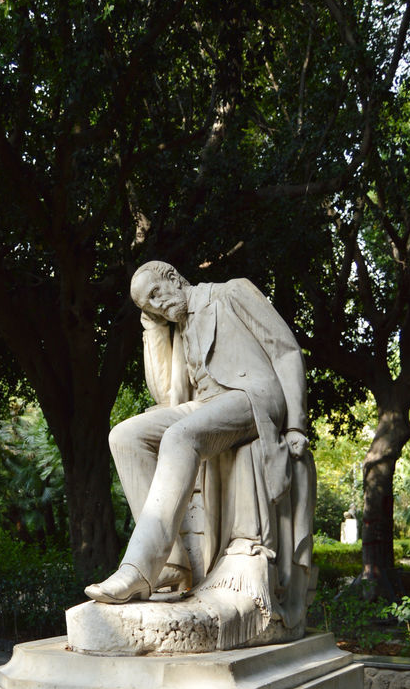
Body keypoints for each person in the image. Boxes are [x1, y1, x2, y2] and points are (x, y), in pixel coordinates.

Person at [85, 261, 315, 634]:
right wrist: (153, 328)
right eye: (148, 306)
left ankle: (138, 568)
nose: (157, 306)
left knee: (180, 436)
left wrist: (295, 424)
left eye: (156, 294)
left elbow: (285, 350)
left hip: (252, 396)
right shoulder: (178, 328)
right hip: (207, 408)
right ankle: (171, 563)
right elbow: (164, 394)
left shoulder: (232, 291)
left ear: (173, 277)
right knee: (124, 437)